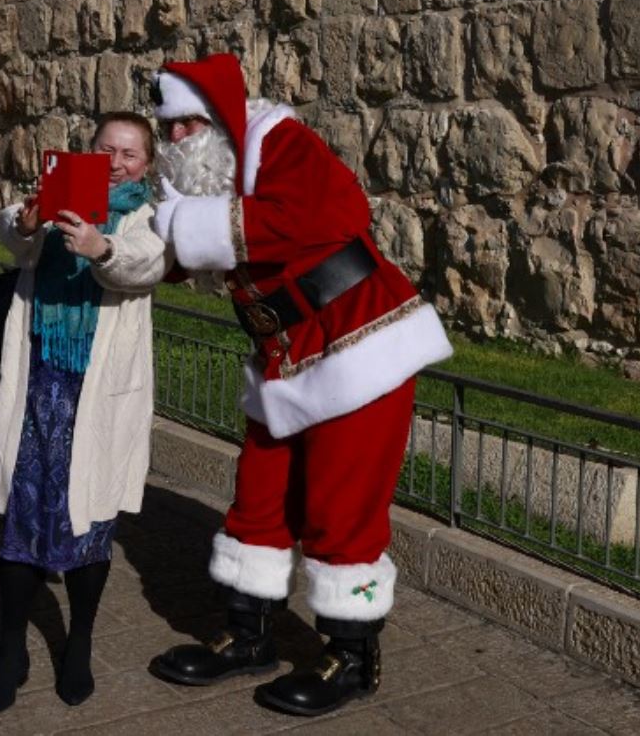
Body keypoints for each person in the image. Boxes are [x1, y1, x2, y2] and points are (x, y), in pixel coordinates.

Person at [144, 53, 452, 718]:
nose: (178, 142)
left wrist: (186, 228)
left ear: (220, 117)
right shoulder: (208, 176)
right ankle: (248, 633)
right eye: (168, 130)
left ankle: (353, 653)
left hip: (360, 341)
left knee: (343, 509)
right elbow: (171, 254)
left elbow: (333, 210)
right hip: (284, 357)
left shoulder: (280, 142)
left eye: (188, 125)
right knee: (258, 497)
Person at [0, 111, 168, 715]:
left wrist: (101, 246)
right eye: (107, 149)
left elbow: (146, 265)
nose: (116, 162)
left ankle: (79, 642)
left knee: (88, 524)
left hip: (98, 393)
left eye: (131, 153)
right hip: (40, 382)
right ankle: (10, 650)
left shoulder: (150, 218)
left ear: (147, 164)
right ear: (88, 152)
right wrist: (29, 222)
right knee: (21, 519)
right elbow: (11, 232)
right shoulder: (57, 196)